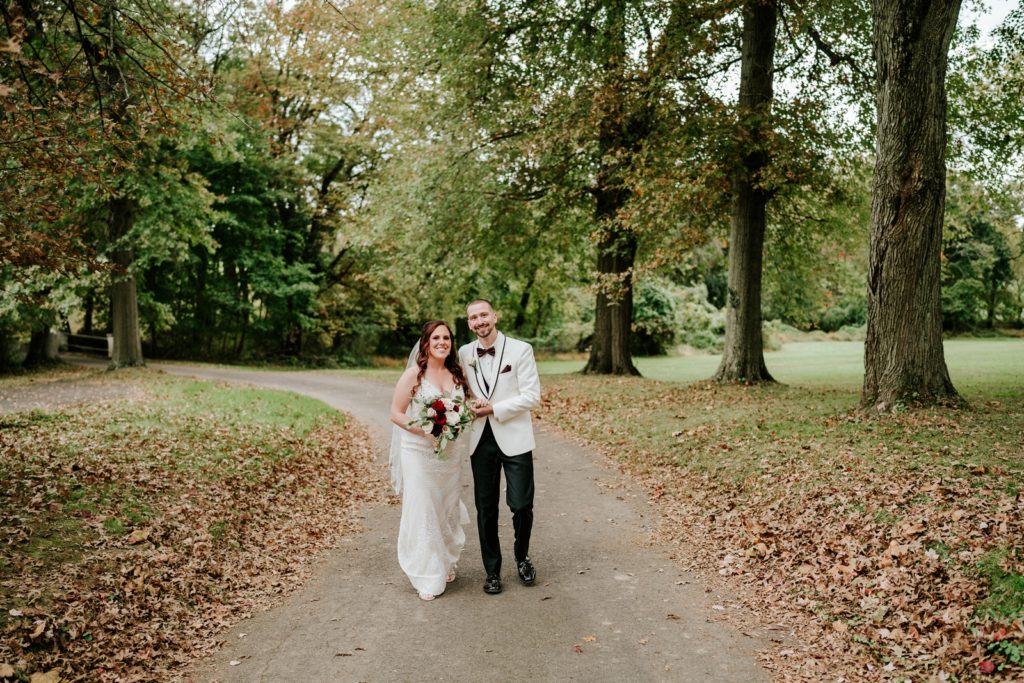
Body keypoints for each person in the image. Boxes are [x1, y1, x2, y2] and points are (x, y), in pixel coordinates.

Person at [458, 299, 541, 595]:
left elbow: (532, 397)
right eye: (473, 318)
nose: (479, 321)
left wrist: (494, 408)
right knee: (485, 508)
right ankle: (492, 571)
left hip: (515, 436)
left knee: (521, 504)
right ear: (469, 323)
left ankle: (522, 557)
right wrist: (471, 404)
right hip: (481, 439)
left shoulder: (521, 349)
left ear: (494, 316)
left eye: (483, 315)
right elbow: (463, 394)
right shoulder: (464, 353)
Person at [389, 320, 470, 601]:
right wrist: (425, 430)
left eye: (446, 338)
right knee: (423, 507)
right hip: (418, 452)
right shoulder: (414, 375)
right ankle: (427, 572)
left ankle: (445, 559)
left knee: (445, 505)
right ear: (425, 342)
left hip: (450, 454)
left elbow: (466, 408)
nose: (442, 342)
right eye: (436, 337)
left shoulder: (457, 374)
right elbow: (396, 413)